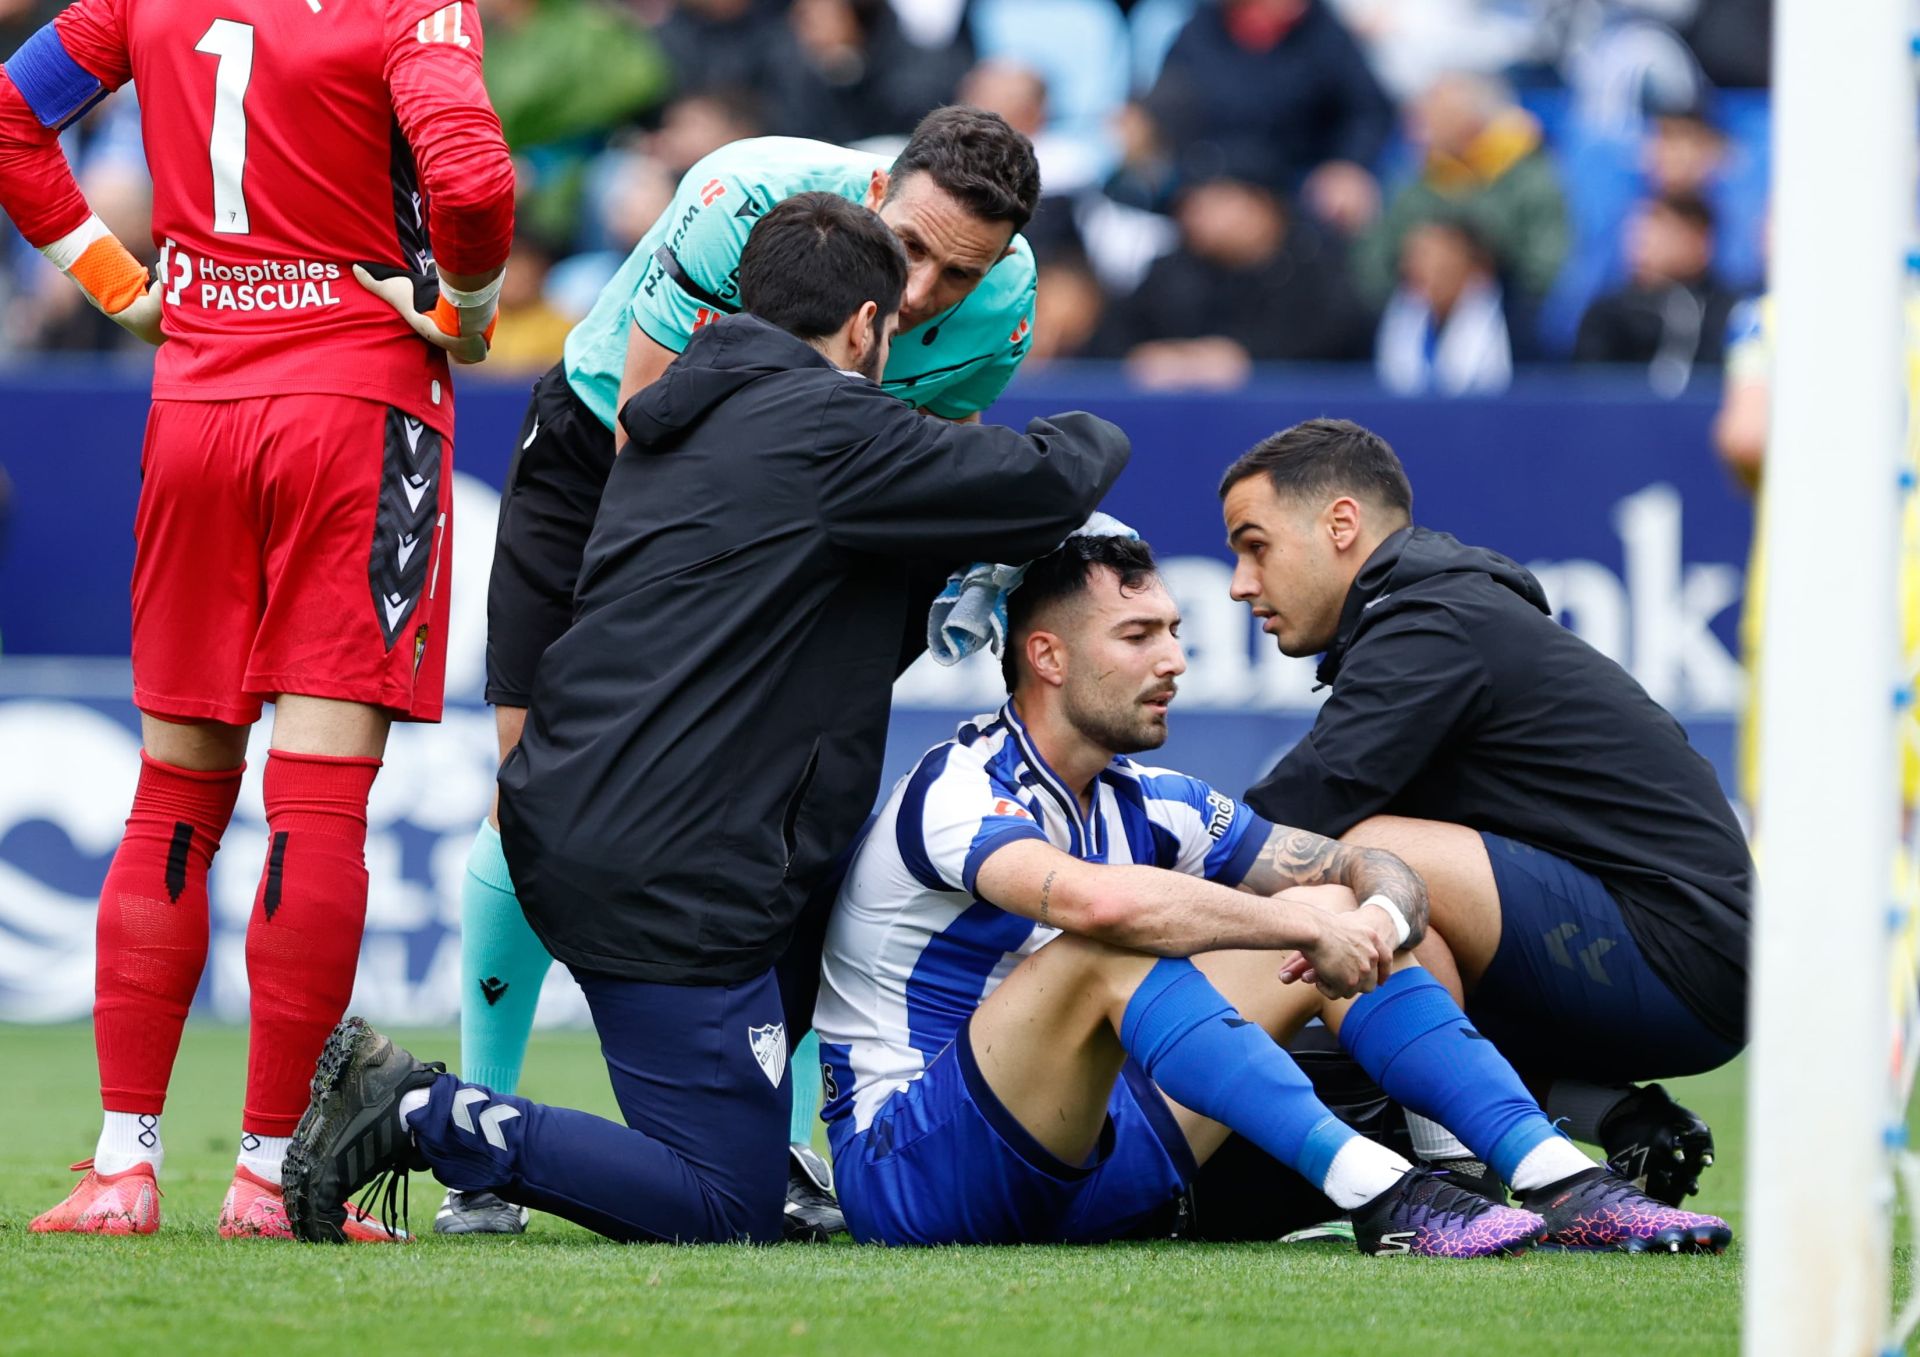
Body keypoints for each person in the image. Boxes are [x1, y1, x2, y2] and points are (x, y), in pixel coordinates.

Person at [280, 192, 1130, 1248]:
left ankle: (718, 1130)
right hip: (672, 868)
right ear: (866, 327)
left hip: (598, 823)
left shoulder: (677, 413)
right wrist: (1085, 421)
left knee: (747, 1147)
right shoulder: (832, 429)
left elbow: (815, 601)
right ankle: (425, 1108)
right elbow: (1048, 478)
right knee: (726, 1206)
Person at [448, 104, 1044, 1237]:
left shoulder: (1007, 317)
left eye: (958, 274)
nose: (921, 295)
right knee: (532, 793)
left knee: (795, 808)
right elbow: (648, 436)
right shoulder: (741, 201)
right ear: (876, 194)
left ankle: (769, 1141)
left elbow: (923, 479)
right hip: (606, 462)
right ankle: (485, 1145)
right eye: (912, 250)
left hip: (799, 524)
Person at [807, 533, 1729, 1252]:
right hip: (913, 1175)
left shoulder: (1156, 803)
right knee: (1119, 936)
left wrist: (1371, 915)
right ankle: (1387, 1192)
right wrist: (1299, 925)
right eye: (1138, 636)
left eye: (1174, 630)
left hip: (1098, 1166)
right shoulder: (961, 787)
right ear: (1045, 657)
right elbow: (1102, 908)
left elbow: (1367, 863)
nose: (1173, 659)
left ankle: (1560, 1177)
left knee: (1329, 908)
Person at [1, 0, 514, 1237]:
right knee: (319, 801)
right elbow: (477, 181)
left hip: (197, 415)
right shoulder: (412, 7)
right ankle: (267, 1177)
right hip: (355, 407)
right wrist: (468, 310)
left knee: (173, 795)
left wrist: (116, 282)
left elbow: (12, 114)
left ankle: (122, 1167)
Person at [1220, 418, 1752, 1205]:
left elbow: (1304, 807)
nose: (1239, 581)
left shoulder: (1432, 619)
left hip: (1682, 949)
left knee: (1364, 859)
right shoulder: (1433, 613)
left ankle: (1458, 1176)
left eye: (1254, 544)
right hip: (1681, 956)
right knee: (1389, 925)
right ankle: (1613, 1113)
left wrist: (1128, 897)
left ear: (1341, 525)